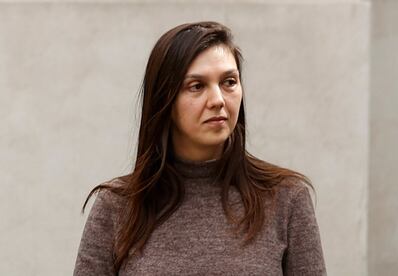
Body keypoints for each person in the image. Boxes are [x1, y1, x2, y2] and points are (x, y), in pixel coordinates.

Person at [73, 21, 326, 275]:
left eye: (229, 82)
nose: (217, 100)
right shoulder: (117, 207)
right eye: (196, 86)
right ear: (165, 100)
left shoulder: (286, 199)